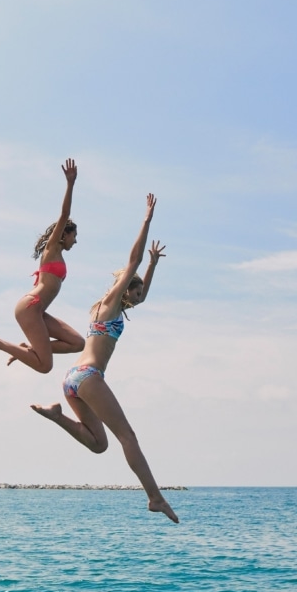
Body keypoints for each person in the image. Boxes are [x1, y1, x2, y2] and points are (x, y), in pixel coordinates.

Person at [32, 193, 178, 523]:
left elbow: (141, 288)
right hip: (88, 377)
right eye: (135, 292)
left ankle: (57, 416)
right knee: (128, 437)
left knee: (100, 445)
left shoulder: (106, 310)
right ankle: (154, 497)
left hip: (72, 380)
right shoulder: (111, 303)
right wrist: (146, 221)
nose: (137, 300)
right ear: (125, 289)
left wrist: (154, 266)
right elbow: (133, 261)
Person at [0, 158, 85, 373]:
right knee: (45, 366)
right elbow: (64, 214)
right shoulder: (52, 248)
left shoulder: (59, 254)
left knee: (77, 343)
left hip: (39, 311)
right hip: (30, 308)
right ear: (64, 234)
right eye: (74, 236)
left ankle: (28, 349)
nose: (75, 240)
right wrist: (70, 184)